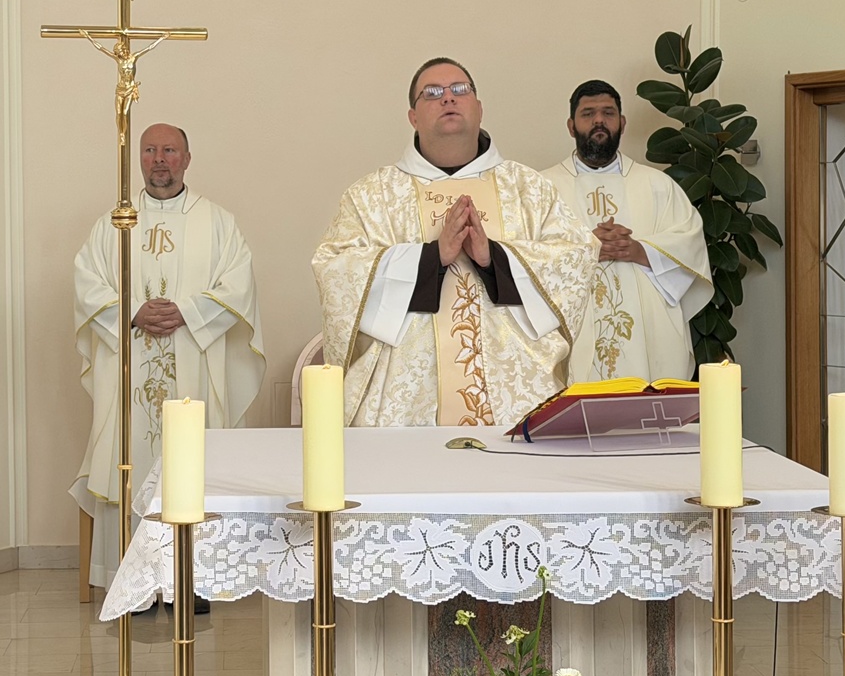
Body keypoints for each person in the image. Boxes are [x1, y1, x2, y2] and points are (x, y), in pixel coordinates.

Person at [312, 58, 591, 427]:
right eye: (432, 93)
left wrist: (494, 259)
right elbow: (335, 268)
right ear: (413, 117)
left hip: (516, 399)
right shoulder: (371, 196)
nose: (448, 98)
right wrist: (430, 258)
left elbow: (575, 257)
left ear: (479, 108)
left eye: (460, 90)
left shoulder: (529, 189)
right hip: (406, 405)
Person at [70, 124, 264, 601]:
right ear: (138, 158)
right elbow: (87, 284)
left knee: (192, 467)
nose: (159, 159)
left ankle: (192, 583)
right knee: (129, 462)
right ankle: (132, 585)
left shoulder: (217, 222)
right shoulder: (113, 224)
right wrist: (133, 312)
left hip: (194, 366)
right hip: (129, 368)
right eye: (150, 150)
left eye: (170, 150)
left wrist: (188, 312)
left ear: (187, 158)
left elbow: (239, 285)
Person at [540, 80, 712, 383]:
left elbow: (690, 243)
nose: (599, 121)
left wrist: (640, 250)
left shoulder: (658, 185)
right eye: (588, 113)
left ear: (622, 122)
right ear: (571, 126)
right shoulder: (542, 189)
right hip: (572, 334)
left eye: (608, 113)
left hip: (648, 339)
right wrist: (584, 250)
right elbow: (523, 257)